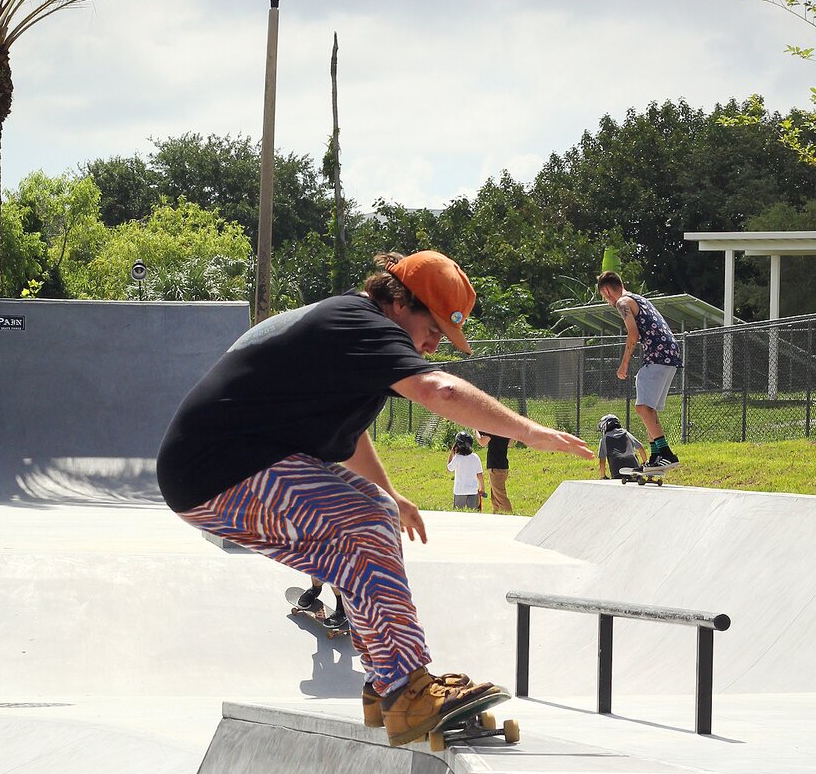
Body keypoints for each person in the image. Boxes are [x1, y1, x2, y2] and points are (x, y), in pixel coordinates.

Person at [156, 250, 594, 747]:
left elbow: (352, 439)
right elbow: (441, 392)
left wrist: (391, 495)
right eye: (432, 329)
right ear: (403, 301)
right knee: (361, 523)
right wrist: (529, 430)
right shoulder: (360, 322)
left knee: (374, 515)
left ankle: (385, 683)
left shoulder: (353, 338)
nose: (432, 346)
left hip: (227, 467)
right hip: (216, 469)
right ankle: (405, 688)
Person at [597, 272, 681, 470]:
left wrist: (624, 363)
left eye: (603, 295)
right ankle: (656, 457)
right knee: (648, 410)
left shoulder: (622, 303)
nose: (606, 300)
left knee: (642, 408)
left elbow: (633, 333)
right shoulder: (639, 298)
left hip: (658, 355)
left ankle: (666, 454)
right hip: (671, 354)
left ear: (607, 290)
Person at [474, 430, 514, 513]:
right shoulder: (505, 429)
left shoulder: (493, 429)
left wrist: (476, 432)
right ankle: (496, 516)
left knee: (501, 498)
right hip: (502, 467)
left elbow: (482, 442)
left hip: (496, 468)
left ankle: (510, 517)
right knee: (495, 498)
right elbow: (510, 443)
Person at [597, 413, 646, 480]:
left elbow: (602, 461)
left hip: (617, 469)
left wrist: (603, 476)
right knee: (633, 455)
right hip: (633, 465)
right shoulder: (626, 433)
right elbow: (640, 448)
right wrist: (645, 465)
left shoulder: (604, 439)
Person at [447, 430, 484, 510]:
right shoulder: (475, 457)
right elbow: (479, 474)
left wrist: (452, 453)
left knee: (458, 513)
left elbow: (449, 469)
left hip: (460, 491)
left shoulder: (457, 458)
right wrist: (482, 487)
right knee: (473, 514)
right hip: (473, 491)